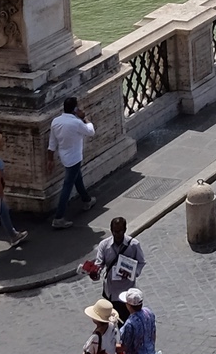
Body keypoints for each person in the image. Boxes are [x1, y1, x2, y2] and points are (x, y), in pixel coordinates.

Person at [47, 94, 96, 227]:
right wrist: (85, 118)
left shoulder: (56, 121)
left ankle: (87, 200)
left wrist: (50, 160)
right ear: (75, 109)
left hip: (64, 156)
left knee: (77, 178)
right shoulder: (77, 123)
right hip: (75, 157)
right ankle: (59, 217)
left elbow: (52, 143)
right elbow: (91, 132)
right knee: (67, 186)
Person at [90, 214, 145, 298]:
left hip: (128, 290)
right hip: (111, 290)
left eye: (120, 231)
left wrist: (133, 273)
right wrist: (95, 271)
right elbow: (99, 263)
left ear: (125, 230)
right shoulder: (104, 245)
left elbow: (141, 262)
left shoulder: (134, 244)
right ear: (111, 231)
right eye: (115, 231)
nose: (117, 234)